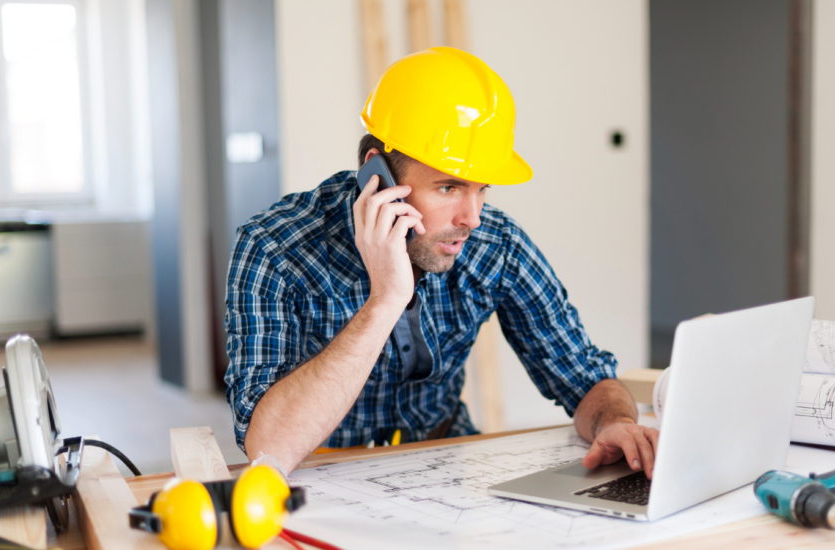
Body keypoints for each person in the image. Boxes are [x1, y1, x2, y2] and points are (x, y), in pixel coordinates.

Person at [224, 47, 659, 477]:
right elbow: (269, 447)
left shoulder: (495, 243)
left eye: (482, 188)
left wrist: (616, 424)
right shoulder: (275, 248)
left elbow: (583, 376)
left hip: (445, 461)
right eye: (449, 188)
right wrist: (385, 300)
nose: (472, 218)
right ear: (378, 177)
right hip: (321, 472)